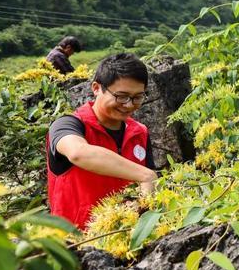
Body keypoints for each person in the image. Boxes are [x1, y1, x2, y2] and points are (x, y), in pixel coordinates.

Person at [46, 53, 157, 229]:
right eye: (121, 96)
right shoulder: (67, 125)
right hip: (75, 243)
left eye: (137, 97)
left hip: (125, 238)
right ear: (97, 88)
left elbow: (146, 189)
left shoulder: (140, 132)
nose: (129, 105)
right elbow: (78, 153)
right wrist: (145, 175)